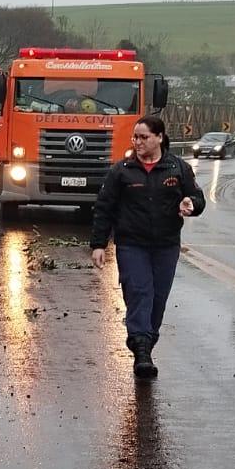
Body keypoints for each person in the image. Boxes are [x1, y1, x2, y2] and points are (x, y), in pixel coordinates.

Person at [89, 116, 205, 380]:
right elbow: (104, 207)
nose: (138, 142)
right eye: (135, 137)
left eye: (144, 137)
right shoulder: (122, 170)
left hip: (166, 245)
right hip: (132, 244)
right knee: (140, 292)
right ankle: (142, 351)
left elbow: (197, 197)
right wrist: (98, 244)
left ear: (159, 138)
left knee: (157, 299)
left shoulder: (178, 169)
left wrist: (191, 203)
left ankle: (146, 342)